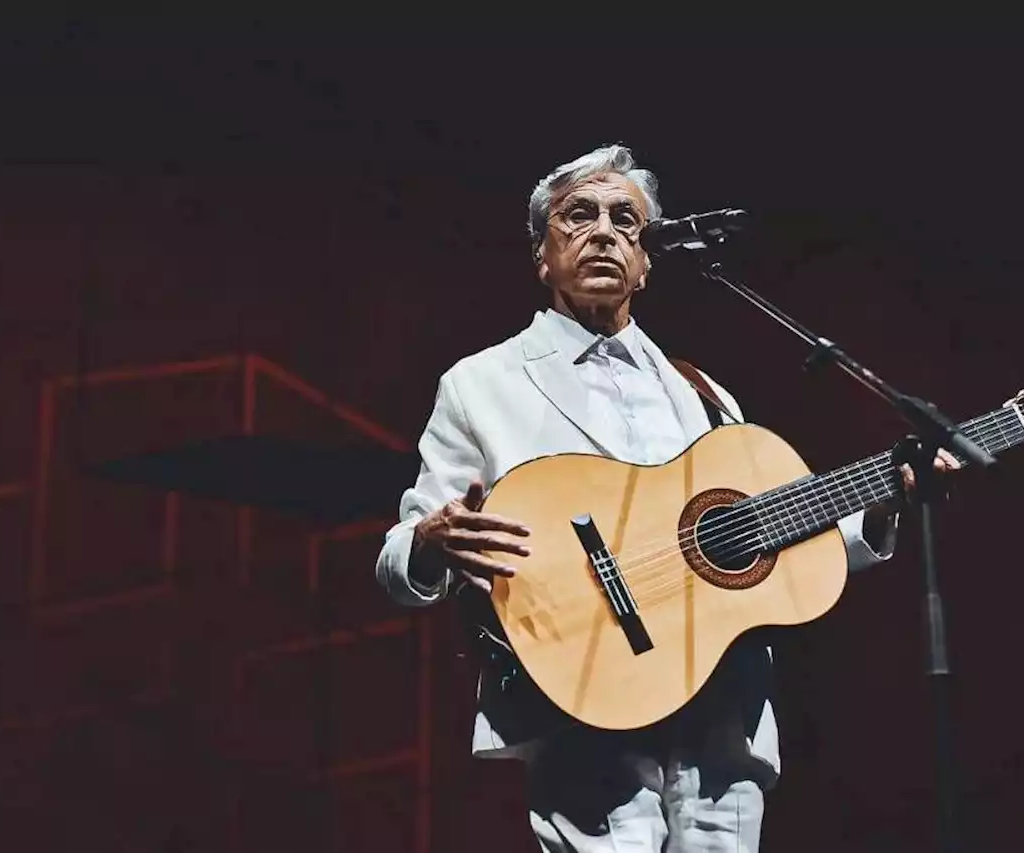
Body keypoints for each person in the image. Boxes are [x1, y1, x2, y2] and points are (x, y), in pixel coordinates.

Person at [375, 144, 957, 852]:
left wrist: (885, 501)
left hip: (722, 714)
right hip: (584, 696)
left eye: (626, 220)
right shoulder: (481, 383)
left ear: (647, 260)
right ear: (541, 253)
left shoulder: (704, 394)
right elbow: (402, 555)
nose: (603, 232)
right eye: (578, 215)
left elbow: (773, 538)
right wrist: (432, 542)